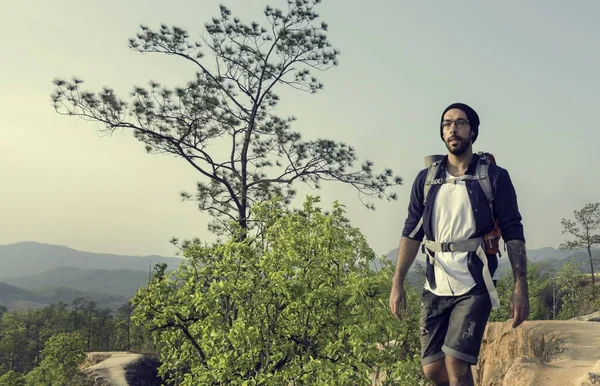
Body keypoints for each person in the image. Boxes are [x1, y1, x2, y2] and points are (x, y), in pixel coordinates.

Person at [388, 103, 529, 386]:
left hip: (475, 283)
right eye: (447, 124)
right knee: (433, 369)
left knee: (456, 362)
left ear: (473, 130)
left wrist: (520, 286)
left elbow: (513, 230)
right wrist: (397, 283)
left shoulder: (494, 177)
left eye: (460, 123)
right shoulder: (426, 179)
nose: (453, 128)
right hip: (435, 284)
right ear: (442, 133)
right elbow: (411, 232)